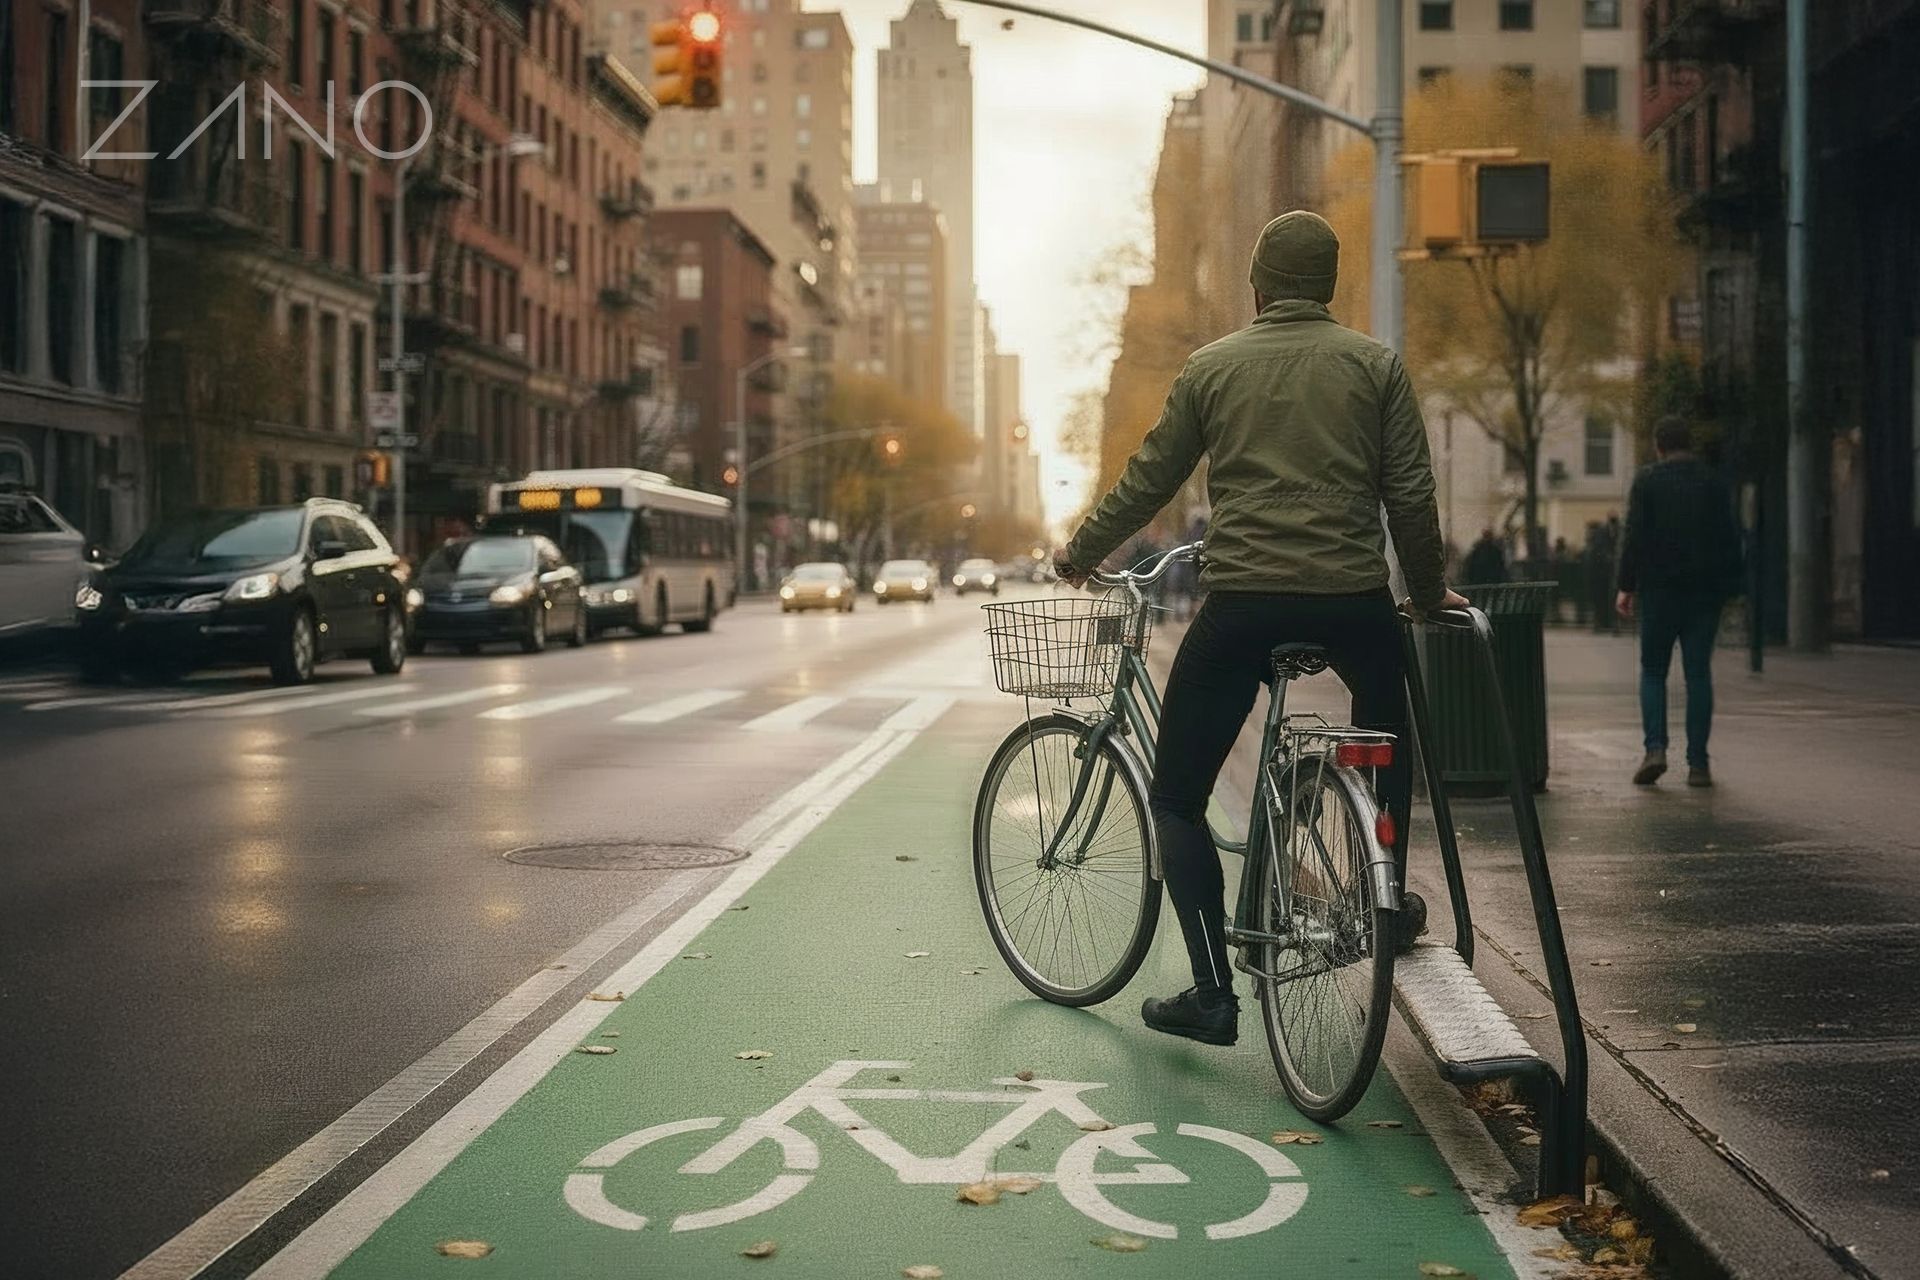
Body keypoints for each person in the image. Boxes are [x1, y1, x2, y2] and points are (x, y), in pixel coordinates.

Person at [1052, 210, 1464, 1048]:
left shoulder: (1212, 368)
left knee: (1175, 795)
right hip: (1354, 599)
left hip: (1242, 606)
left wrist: (1080, 551)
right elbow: (1412, 498)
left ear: (1258, 286)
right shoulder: (1376, 366)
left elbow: (1148, 481)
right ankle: (1388, 894)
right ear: (1330, 286)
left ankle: (1210, 993)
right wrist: (1423, 594)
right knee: (1391, 734)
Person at [1617, 416, 1744, 788]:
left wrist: (1626, 585)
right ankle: (1699, 764)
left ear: (1659, 446)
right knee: (1698, 674)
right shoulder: (1713, 482)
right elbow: (1730, 537)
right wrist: (1732, 587)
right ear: (1690, 444)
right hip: (1705, 593)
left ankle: (1655, 748)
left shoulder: (1648, 482)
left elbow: (1634, 536)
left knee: (1654, 671)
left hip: (1659, 591)